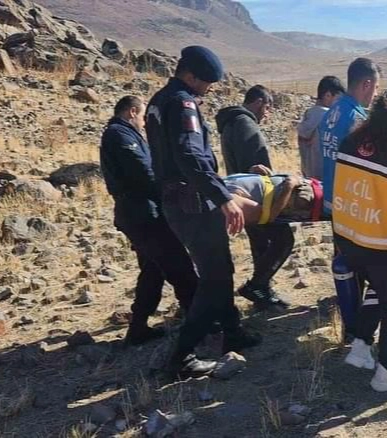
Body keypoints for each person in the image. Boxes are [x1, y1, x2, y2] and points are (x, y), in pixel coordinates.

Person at [146, 46, 261, 379]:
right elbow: (190, 156)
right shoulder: (183, 103)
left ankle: (233, 333)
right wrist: (223, 197)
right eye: (206, 82)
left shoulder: (159, 100)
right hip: (192, 203)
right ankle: (181, 356)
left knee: (220, 269)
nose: (208, 89)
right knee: (214, 277)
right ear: (191, 76)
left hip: (179, 199)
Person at [333, 85, 387, 392]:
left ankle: (360, 347)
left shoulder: (351, 141)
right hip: (385, 242)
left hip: (350, 236)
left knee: (376, 287)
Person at [100, 96, 197, 346]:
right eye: (143, 116)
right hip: (143, 214)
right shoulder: (119, 135)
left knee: (153, 270)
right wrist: (173, 191)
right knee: (179, 266)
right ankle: (199, 320)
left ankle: (138, 328)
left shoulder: (124, 134)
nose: (144, 122)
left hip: (139, 213)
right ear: (132, 112)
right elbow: (143, 171)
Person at [318, 57, 381, 339]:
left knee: (343, 263)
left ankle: (349, 323)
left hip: (333, 199)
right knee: (357, 266)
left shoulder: (332, 111)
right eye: (375, 88)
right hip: (352, 205)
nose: (375, 94)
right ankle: (356, 328)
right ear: (366, 84)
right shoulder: (357, 118)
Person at [216, 85, 294, 311]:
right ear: (259, 102)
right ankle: (257, 286)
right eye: (267, 108)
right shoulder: (245, 124)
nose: (267, 114)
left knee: (261, 245)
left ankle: (262, 293)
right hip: (255, 195)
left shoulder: (231, 122)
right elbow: (258, 168)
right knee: (283, 239)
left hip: (239, 193)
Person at [225, 173, 324, 224]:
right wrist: (289, 187)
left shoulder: (221, 184)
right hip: (307, 200)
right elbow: (266, 216)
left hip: (310, 185)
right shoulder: (228, 201)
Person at [297, 76, 345, 179]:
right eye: (338, 99)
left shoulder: (307, 117)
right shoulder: (330, 119)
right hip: (325, 181)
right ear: (328, 95)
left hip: (308, 181)